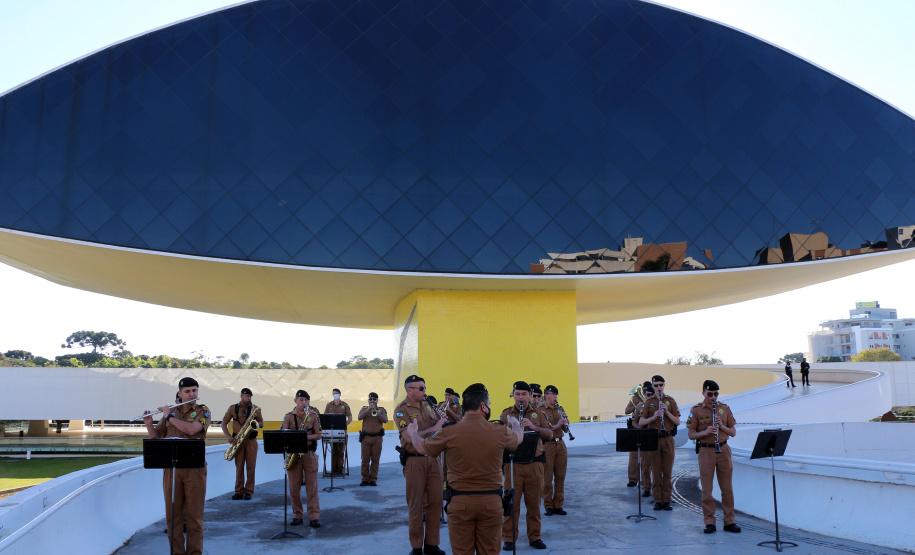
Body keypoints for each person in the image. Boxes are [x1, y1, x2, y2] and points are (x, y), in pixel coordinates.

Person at [405, 383, 522, 555]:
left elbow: (422, 448)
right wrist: (515, 423)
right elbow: (519, 438)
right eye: (488, 404)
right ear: (483, 406)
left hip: (460, 504)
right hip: (491, 503)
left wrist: (413, 432)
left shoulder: (449, 431)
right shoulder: (500, 431)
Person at [143, 376, 211, 555]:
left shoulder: (203, 411)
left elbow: (191, 430)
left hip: (194, 470)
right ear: (179, 394)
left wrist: (169, 417)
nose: (192, 394)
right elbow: (157, 438)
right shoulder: (171, 413)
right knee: (173, 518)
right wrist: (149, 425)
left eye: (194, 391)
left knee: (194, 518)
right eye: (187, 391)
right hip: (172, 470)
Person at [394, 375, 447, 555]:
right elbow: (410, 437)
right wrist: (435, 427)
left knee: (436, 502)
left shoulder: (427, 405)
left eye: (424, 387)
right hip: (414, 460)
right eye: (421, 388)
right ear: (410, 390)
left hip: (433, 459)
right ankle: (416, 547)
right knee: (415, 505)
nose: (425, 391)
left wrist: (442, 425)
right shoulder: (401, 410)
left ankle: (432, 544)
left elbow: (436, 429)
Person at [500, 380, 553, 551]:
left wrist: (533, 427)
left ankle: (535, 537)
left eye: (524, 394)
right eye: (517, 394)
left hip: (534, 465)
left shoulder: (539, 412)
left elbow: (550, 434)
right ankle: (509, 538)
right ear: (513, 395)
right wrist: (509, 428)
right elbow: (499, 438)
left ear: (529, 396)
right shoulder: (506, 413)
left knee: (534, 504)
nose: (520, 397)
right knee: (510, 504)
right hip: (513, 465)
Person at [686, 380, 741, 534]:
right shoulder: (696, 410)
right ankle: (709, 521)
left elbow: (733, 432)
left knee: (727, 489)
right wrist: (706, 432)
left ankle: (730, 521)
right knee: (707, 490)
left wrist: (721, 426)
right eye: (710, 394)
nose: (713, 397)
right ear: (703, 393)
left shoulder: (724, 408)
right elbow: (690, 435)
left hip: (723, 449)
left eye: (716, 394)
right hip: (706, 451)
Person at [636, 375, 680, 511]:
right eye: (656, 385)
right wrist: (654, 417)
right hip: (654, 439)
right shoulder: (648, 402)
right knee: (655, 471)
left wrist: (666, 412)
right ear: (653, 386)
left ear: (664, 385)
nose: (658, 388)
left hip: (667, 439)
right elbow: (640, 422)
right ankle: (657, 500)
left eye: (661, 385)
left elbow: (677, 421)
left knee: (667, 472)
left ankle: (666, 500)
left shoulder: (670, 401)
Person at [282, 390, 323, 527]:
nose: (304, 403)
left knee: (312, 487)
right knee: (294, 487)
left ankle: (314, 517)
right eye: (301, 400)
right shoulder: (288, 416)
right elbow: (284, 434)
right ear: (295, 401)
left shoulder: (313, 415)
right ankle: (297, 515)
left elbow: (318, 434)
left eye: (306, 400)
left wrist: (303, 437)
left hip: (309, 453)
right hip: (293, 454)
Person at [221, 387, 264, 500]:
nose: (248, 398)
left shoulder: (255, 409)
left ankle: (249, 491)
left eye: (250, 396)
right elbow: (223, 423)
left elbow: (261, 424)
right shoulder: (232, 408)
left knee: (251, 467)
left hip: (251, 440)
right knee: (239, 467)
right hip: (237, 440)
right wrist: (229, 436)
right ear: (241, 395)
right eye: (246, 396)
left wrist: (254, 423)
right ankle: (239, 491)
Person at [540, 385, 569, 516]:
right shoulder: (540, 410)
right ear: (546, 395)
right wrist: (557, 424)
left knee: (560, 476)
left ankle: (558, 505)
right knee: (547, 478)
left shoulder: (560, 408)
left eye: (556, 394)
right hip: (548, 445)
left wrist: (566, 422)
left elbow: (565, 430)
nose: (555, 397)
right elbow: (543, 429)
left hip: (560, 445)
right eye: (552, 394)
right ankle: (548, 505)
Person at [358, 392, 387, 486]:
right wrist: (368, 410)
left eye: (374, 399)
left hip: (377, 438)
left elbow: (385, 420)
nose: (372, 401)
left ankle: (373, 479)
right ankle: (365, 479)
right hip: (366, 438)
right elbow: (359, 418)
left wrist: (376, 412)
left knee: (375, 459)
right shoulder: (364, 409)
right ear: (368, 400)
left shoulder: (381, 410)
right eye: (370, 399)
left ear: (377, 400)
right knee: (365, 459)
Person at [624, 382, 649, 488]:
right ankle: (633, 479)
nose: (643, 392)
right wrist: (636, 407)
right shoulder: (635, 398)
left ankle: (645, 480)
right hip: (635, 428)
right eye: (643, 390)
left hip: (646, 428)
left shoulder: (651, 398)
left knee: (646, 456)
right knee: (633, 456)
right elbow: (626, 411)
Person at [632, 382, 654, 498]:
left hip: (657, 437)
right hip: (645, 437)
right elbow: (634, 421)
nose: (650, 396)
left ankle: (658, 488)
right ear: (644, 395)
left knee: (658, 466)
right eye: (648, 394)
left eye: (652, 395)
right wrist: (639, 427)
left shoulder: (658, 406)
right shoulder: (640, 407)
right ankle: (646, 488)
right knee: (645, 466)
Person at [324, 388, 352, 474]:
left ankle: (340, 469)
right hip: (332, 431)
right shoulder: (329, 405)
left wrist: (345, 424)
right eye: (333, 393)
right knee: (333, 451)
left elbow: (350, 417)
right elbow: (325, 417)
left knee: (341, 451)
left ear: (340, 394)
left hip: (341, 431)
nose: (335, 394)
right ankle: (334, 469)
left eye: (336, 393)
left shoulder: (344, 405)